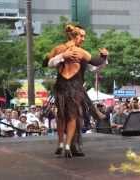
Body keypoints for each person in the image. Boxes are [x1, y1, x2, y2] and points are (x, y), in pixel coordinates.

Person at [47, 24, 108, 158]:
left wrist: (103, 58)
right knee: (64, 116)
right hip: (65, 87)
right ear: (73, 36)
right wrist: (63, 55)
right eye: (81, 36)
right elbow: (48, 62)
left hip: (75, 88)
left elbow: (94, 67)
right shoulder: (62, 49)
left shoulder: (81, 53)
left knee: (73, 117)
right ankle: (65, 144)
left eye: (84, 36)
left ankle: (69, 145)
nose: (83, 39)